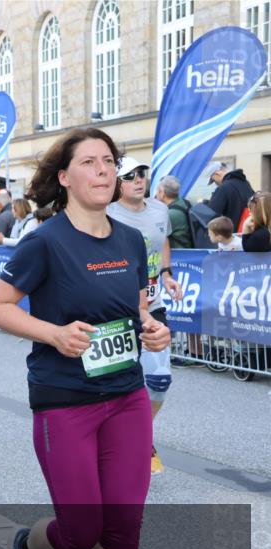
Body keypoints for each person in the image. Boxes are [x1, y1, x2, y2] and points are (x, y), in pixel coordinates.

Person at [0, 127, 170, 549]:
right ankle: (28, 547)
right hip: (65, 399)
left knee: (124, 525)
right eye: (89, 162)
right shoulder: (45, 241)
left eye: (109, 161)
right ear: (64, 178)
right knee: (80, 529)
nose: (105, 171)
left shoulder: (131, 239)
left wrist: (150, 327)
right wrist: (53, 334)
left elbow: (134, 306)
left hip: (126, 396)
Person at [107, 156, 183, 477]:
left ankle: (139, 436)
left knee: (160, 381)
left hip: (151, 305)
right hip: (118, 308)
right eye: (131, 176)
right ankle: (118, 441)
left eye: (142, 174)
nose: (139, 179)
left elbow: (162, 239)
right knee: (116, 382)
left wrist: (165, 272)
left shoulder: (160, 210)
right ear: (118, 183)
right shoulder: (108, 213)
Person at [207, 162, 255, 232]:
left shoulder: (224, 187)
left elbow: (212, 214)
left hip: (231, 235)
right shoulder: (246, 184)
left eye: (213, 180)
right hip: (249, 231)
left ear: (217, 173)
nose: (215, 183)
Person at [154, 175, 193, 249]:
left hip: (178, 256)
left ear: (162, 193)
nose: (156, 194)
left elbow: (152, 236)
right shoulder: (183, 202)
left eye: (157, 191)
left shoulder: (169, 215)